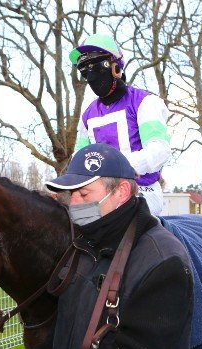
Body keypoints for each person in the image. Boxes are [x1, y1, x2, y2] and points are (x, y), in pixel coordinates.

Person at [0, 143, 194, 349]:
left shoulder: (163, 260)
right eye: (71, 195)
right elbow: (70, 329)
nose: (74, 205)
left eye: (84, 194)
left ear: (121, 192)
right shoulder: (84, 246)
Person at [69, 33, 171, 216]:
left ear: (116, 67)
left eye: (97, 67)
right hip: (101, 193)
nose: (91, 76)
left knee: (110, 213)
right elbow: (79, 157)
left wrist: (115, 169)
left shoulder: (145, 102)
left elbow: (159, 150)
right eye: (84, 70)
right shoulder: (88, 114)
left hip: (143, 190)